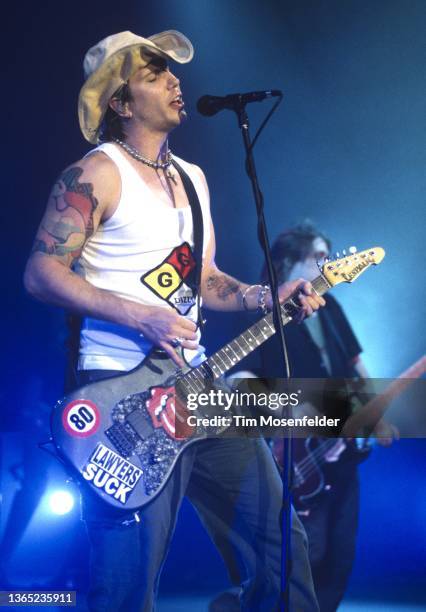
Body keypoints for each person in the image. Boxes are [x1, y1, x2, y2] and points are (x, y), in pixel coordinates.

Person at [24, 30, 326, 611]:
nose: (174, 81)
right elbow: (41, 273)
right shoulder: (97, 172)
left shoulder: (193, 177)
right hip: (122, 402)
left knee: (282, 546)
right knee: (125, 588)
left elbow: (206, 279)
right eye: (154, 73)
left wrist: (268, 295)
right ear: (120, 101)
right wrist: (142, 316)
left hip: (198, 387)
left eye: (173, 71)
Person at [256, 222, 396, 612]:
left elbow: (355, 364)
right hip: (295, 450)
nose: (328, 264)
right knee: (304, 549)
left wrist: (377, 415)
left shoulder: (331, 307)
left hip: (342, 445)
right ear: (289, 264)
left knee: (341, 548)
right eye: (318, 257)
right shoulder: (267, 315)